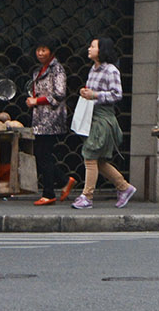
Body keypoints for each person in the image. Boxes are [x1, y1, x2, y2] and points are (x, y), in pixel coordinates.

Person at [71, 37, 135, 209]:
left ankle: (87, 196)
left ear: (102, 50)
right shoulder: (93, 69)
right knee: (97, 159)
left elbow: (117, 94)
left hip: (103, 118)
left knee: (90, 155)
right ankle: (124, 187)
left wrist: (96, 95)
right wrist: (87, 92)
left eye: (93, 46)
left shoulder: (111, 70)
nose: (89, 49)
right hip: (92, 115)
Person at [25, 43, 73, 206]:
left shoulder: (56, 69)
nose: (40, 53)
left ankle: (49, 193)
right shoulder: (39, 70)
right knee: (42, 154)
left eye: (44, 49)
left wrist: (37, 100)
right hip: (40, 118)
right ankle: (64, 181)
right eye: (38, 50)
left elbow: (60, 93)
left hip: (51, 119)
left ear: (51, 52)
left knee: (43, 154)